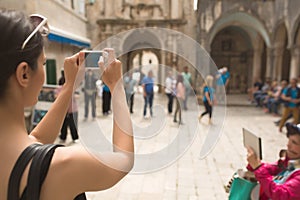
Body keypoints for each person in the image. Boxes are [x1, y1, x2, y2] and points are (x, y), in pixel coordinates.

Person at [0, 9, 134, 200]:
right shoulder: (62, 165)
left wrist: (70, 86)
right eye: (43, 64)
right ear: (24, 74)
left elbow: (36, 139)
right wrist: (117, 86)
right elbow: (124, 160)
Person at [246, 122, 300, 199]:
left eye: (294, 142)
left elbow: (281, 195)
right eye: (289, 140)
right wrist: (256, 164)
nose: (288, 145)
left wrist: (258, 168)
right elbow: (273, 168)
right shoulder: (289, 162)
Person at [55, 75, 80, 144]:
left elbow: (56, 97)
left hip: (68, 109)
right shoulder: (66, 88)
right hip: (70, 109)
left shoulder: (60, 89)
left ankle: (65, 137)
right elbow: (77, 96)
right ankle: (71, 137)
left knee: (66, 124)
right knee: (69, 124)